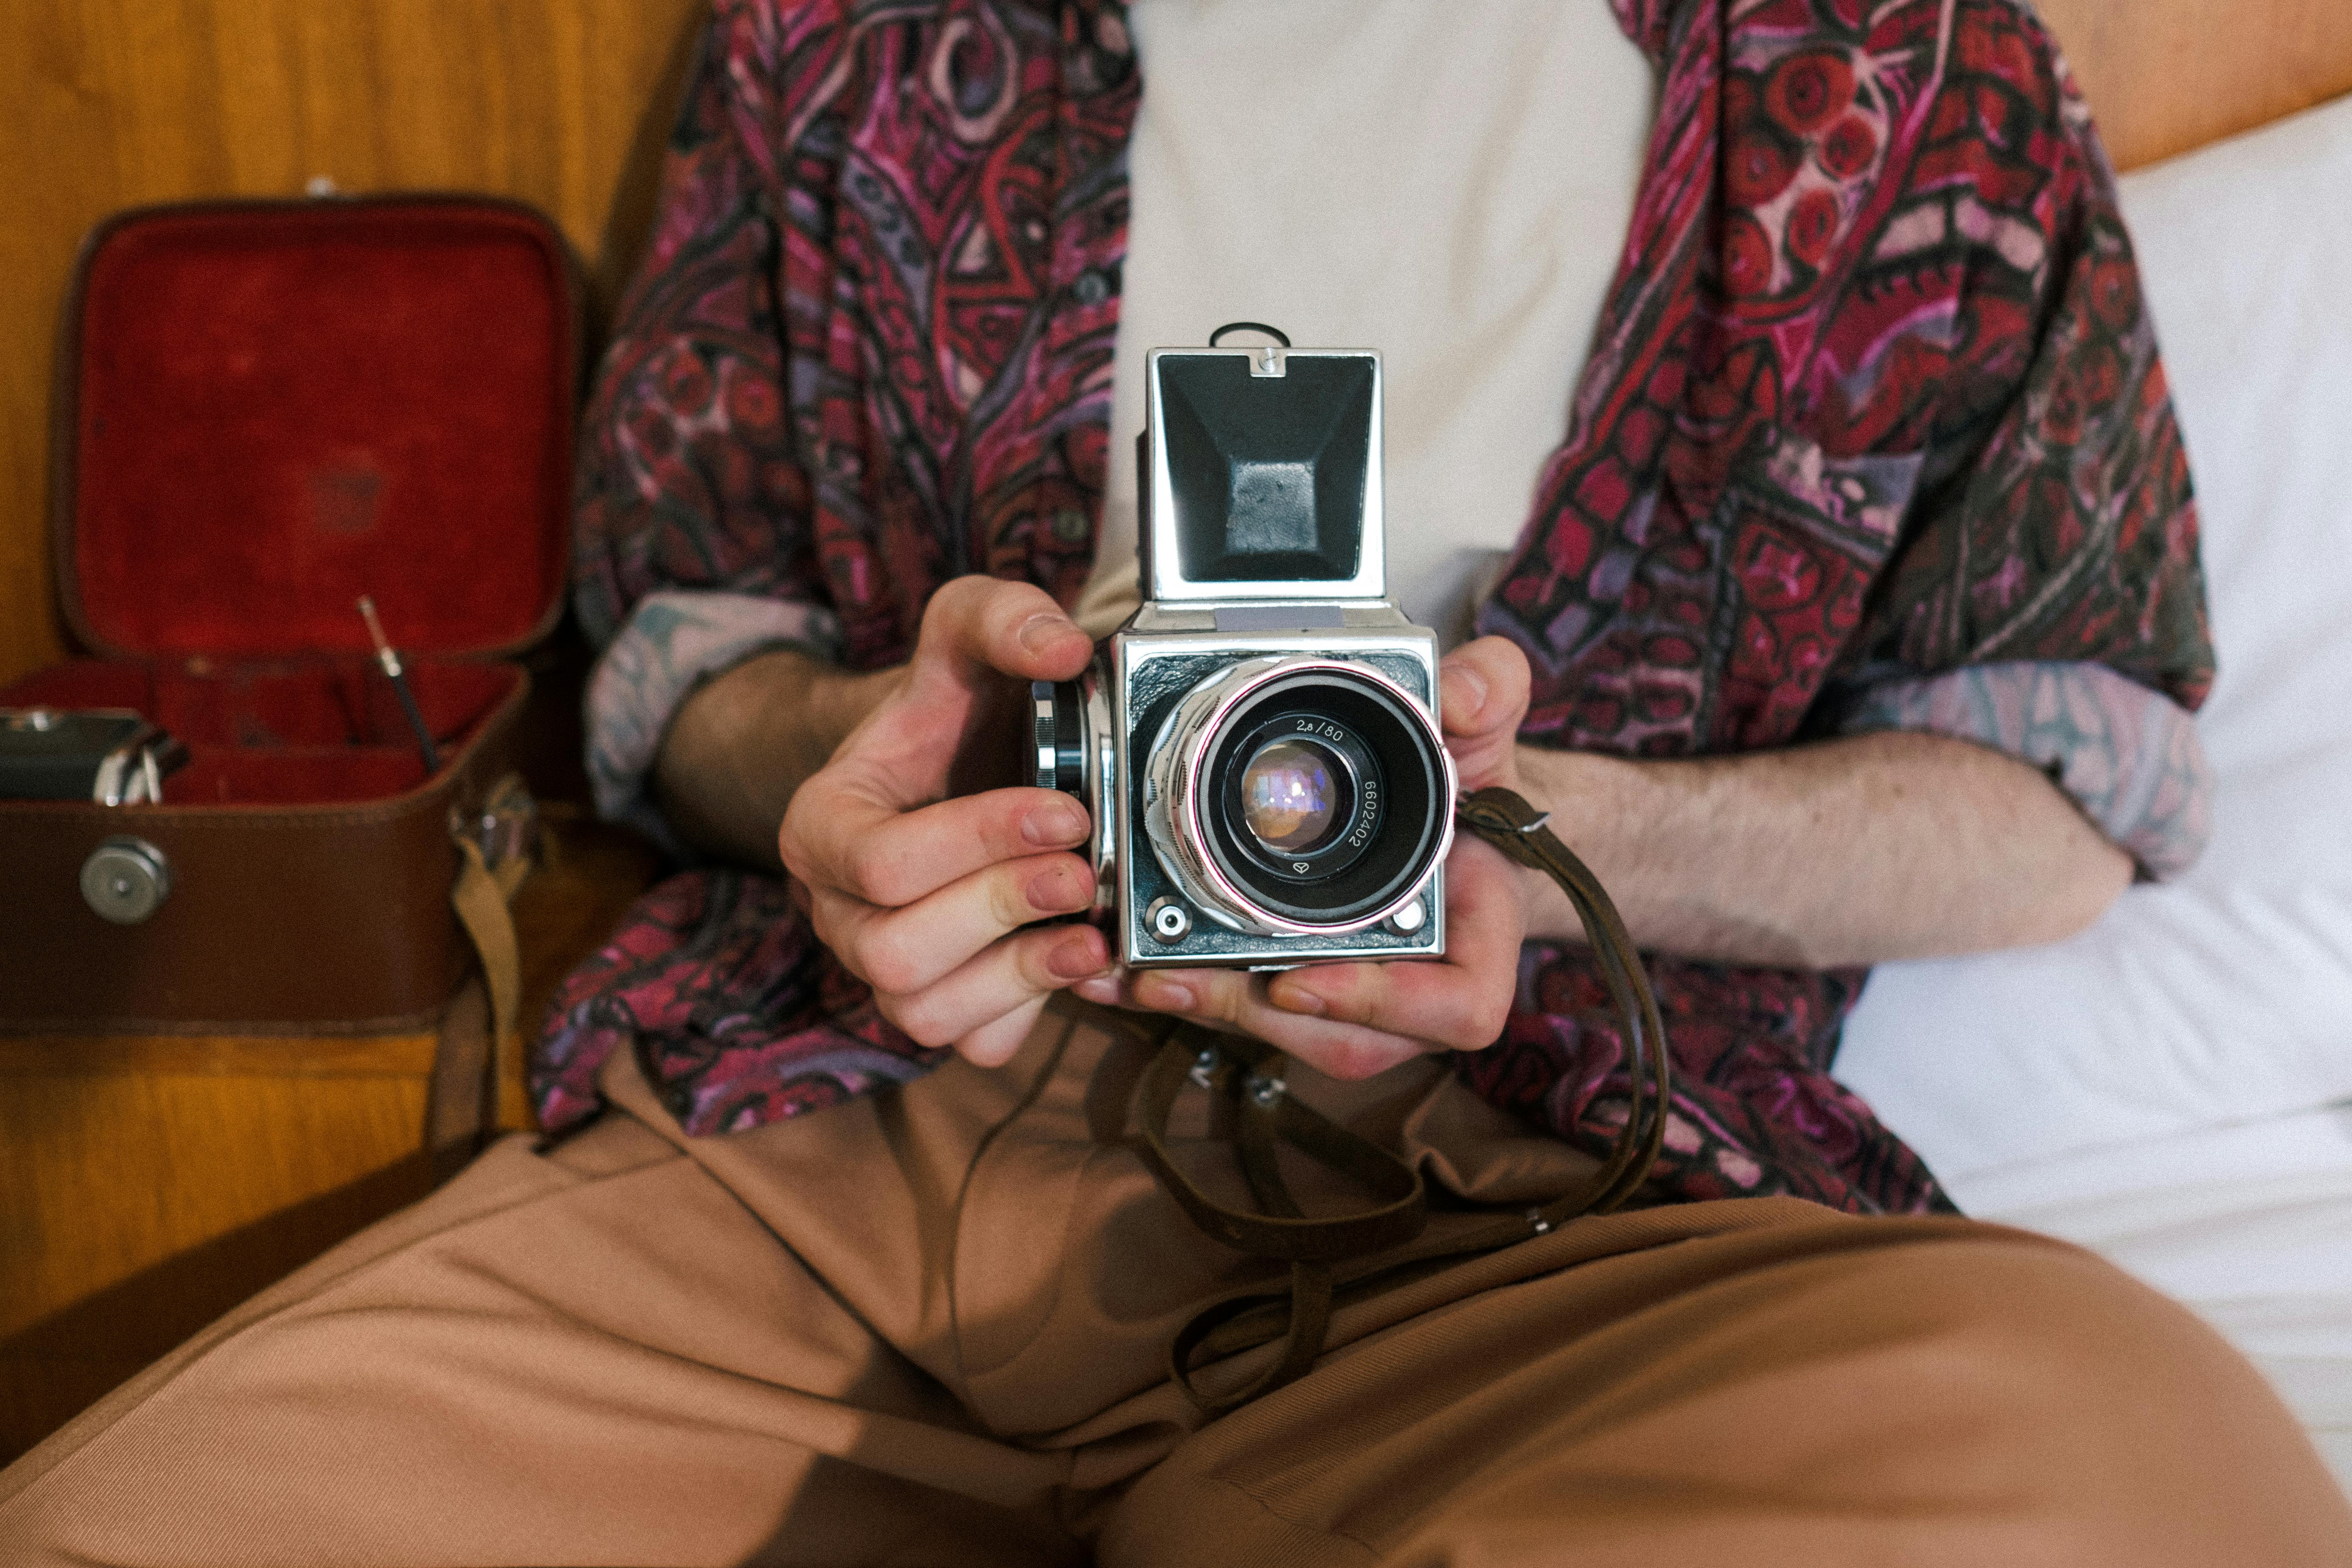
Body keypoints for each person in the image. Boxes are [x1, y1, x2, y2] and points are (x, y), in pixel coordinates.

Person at [4, 0, 2346, 1563]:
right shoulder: (857, 37)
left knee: (2150, 1475)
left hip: (1559, 1201)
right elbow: (678, 655)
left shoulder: (1909, 68)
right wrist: (838, 777)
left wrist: (1549, 846)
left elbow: (2064, 790)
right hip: (849, 1130)